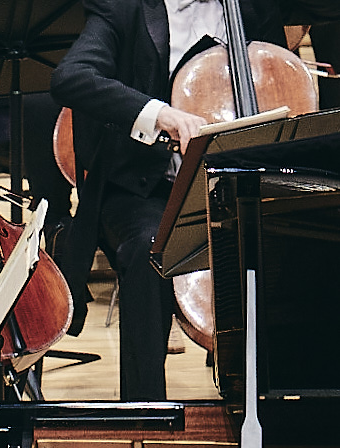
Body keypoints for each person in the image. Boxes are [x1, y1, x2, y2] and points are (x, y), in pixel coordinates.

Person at [50, 0, 335, 403]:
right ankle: (145, 411)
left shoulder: (253, 10)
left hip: (235, 186)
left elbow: (274, 95)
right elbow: (70, 77)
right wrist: (160, 113)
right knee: (150, 250)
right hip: (146, 187)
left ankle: (285, 407)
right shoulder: (124, 9)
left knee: (308, 245)